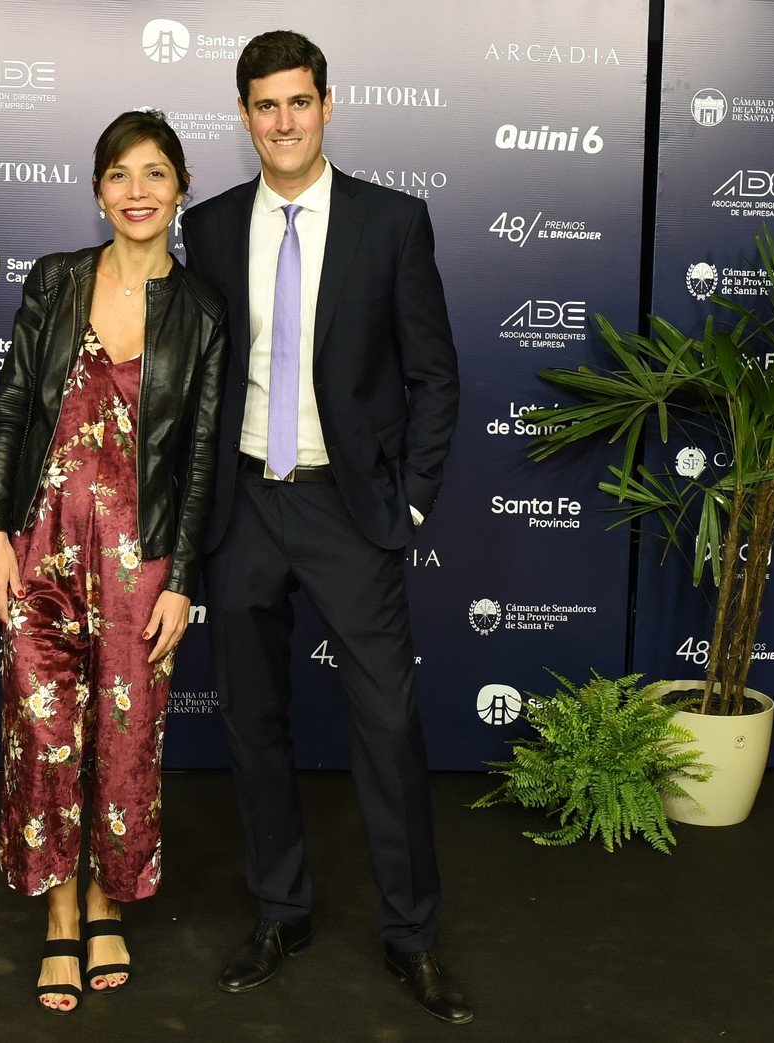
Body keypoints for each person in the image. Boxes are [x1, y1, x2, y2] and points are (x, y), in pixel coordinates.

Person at [180, 31, 472, 1025]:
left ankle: (411, 934)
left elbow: (435, 374)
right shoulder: (210, 227)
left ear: (327, 105)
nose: (283, 121)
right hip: (244, 508)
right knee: (251, 723)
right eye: (263, 106)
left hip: (349, 509)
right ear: (245, 115)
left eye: (298, 102)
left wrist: (412, 501)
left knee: (387, 725)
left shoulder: (391, 221)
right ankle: (279, 911)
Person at [0, 110, 227, 1015]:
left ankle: (105, 900)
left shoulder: (200, 311)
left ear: (181, 189)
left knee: (127, 747)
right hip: (40, 545)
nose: (136, 191)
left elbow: (200, 458)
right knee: (44, 737)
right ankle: (55, 918)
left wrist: (187, 578)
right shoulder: (55, 283)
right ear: (97, 191)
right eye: (119, 174)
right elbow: (10, 410)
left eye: (155, 173)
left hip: (142, 562)